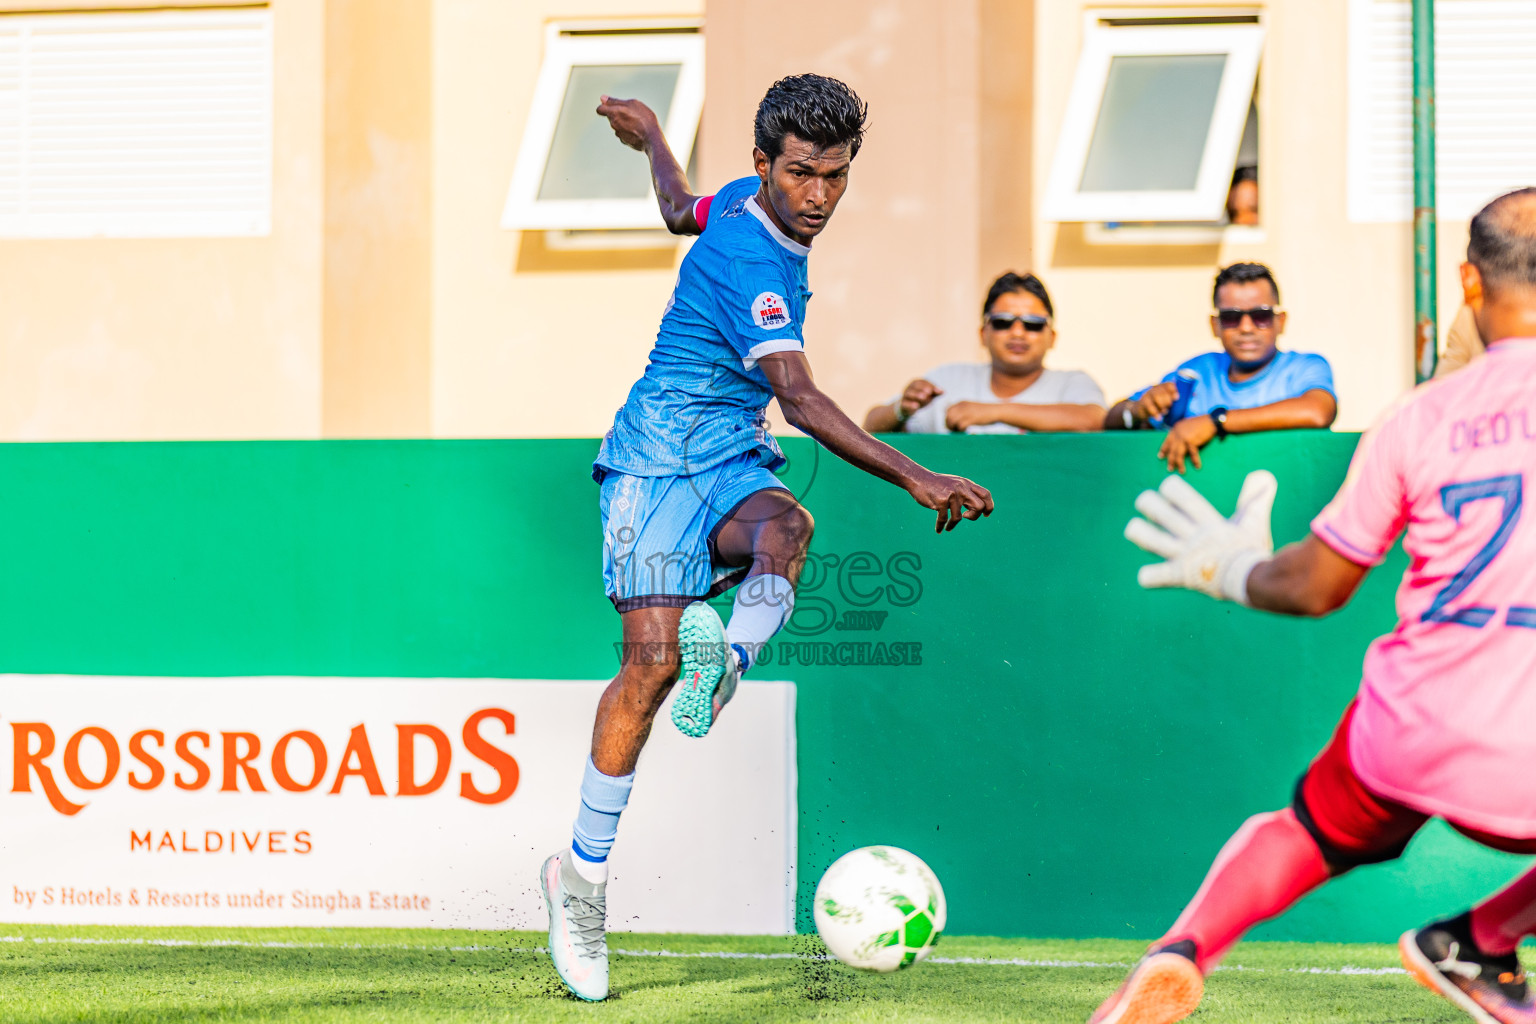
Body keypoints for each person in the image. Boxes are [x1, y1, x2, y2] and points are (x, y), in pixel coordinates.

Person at [539, 75, 993, 1002]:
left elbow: (679, 209)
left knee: (787, 524)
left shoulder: (744, 201)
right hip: (653, 461)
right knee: (649, 671)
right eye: (800, 174)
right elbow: (801, 398)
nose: (818, 195)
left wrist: (653, 136)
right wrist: (917, 474)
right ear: (764, 163)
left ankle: (731, 665)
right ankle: (578, 880)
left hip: (729, 454)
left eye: (835, 174)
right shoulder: (752, 256)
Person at [1096, 187, 1536, 1024]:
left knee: (1306, 833)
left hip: (1412, 727)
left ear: (1469, 284)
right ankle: (1480, 938)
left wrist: (1233, 569)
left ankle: (1182, 949)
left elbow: (1315, 588)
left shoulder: (1417, 419)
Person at [1104, 262, 1337, 473]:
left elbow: (1318, 411)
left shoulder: (1303, 367)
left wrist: (1215, 422)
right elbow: (1111, 419)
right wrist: (1137, 410)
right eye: (1231, 317)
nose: (1246, 328)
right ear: (1215, 325)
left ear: (1280, 321)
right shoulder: (1196, 371)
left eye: (1261, 315)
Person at [862, 271, 1105, 434]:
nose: (1017, 332)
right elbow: (871, 427)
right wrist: (901, 409)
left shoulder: (1072, 383)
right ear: (982, 334)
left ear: (1052, 337)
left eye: (1032, 324)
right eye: (1002, 322)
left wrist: (992, 411)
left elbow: (1094, 420)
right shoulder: (948, 379)